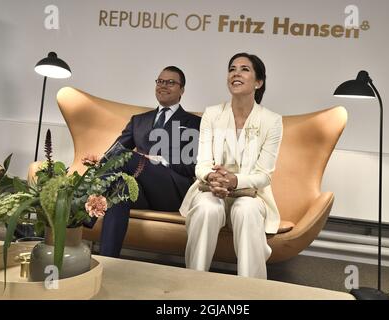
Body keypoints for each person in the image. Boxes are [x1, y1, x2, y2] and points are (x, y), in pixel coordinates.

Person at [179, 53, 283, 279]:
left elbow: (264, 175)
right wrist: (212, 178)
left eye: (244, 69)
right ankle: (193, 283)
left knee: (245, 210)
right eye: (232, 68)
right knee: (208, 208)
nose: (236, 73)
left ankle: (249, 290)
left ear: (258, 82)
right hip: (211, 189)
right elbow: (202, 165)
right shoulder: (212, 114)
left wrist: (235, 181)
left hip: (251, 194)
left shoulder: (272, 121)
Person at [86, 66, 201, 258]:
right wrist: (96, 163)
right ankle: (107, 260)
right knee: (120, 187)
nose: (164, 86)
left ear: (182, 90)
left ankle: (85, 207)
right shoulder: (139, 120)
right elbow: (112, 154)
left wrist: (159, 160)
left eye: (171, 82)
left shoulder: (194, 123)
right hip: (141, 192)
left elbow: (193, 165)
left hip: (172, 191)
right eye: (160, 81)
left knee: (129, 157)